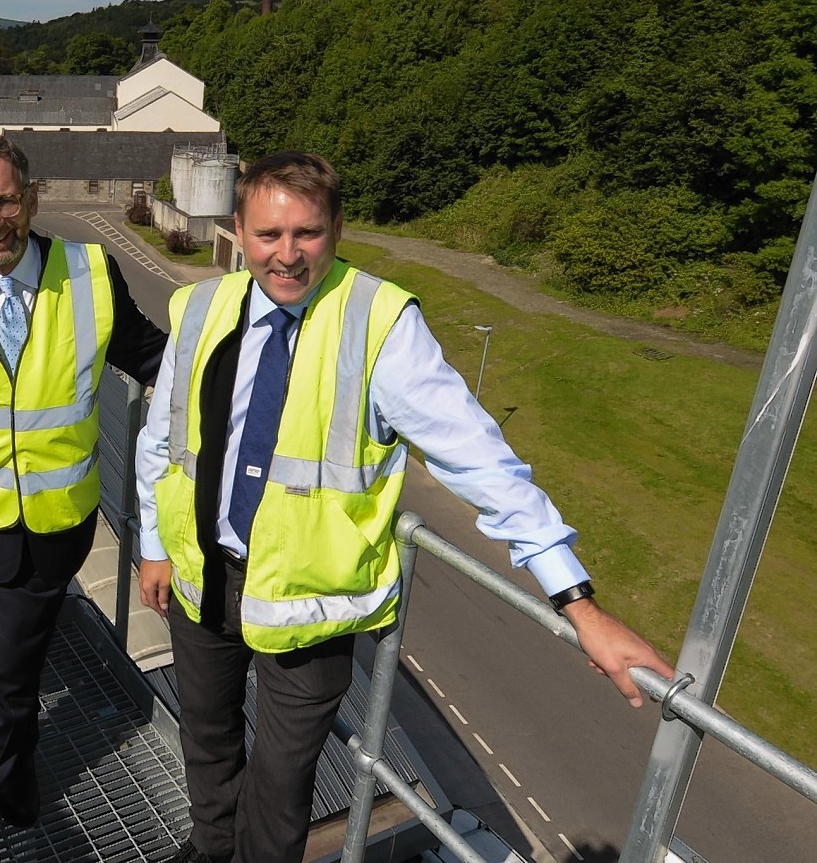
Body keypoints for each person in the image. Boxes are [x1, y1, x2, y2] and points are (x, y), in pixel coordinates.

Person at [134, 151, 675, 863]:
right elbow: (164, 437)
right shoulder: (200, 307)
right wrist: (151, 541)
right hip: (204, 577)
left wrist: (577, 602)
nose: (288, 256)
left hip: (307, 607)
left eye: (308, 234)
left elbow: (477, 456)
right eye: (268, 235)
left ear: (337, 230)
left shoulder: (379, 323)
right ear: (237, 229)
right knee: (207, 745)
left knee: (281, 779)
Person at [0, 134, 168, 862]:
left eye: (6, 200)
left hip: (52, 527)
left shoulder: (88, 271)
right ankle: (18, 778)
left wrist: (234, 362)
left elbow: (147, 354)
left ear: (32, 196)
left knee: (1, 681)